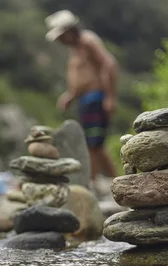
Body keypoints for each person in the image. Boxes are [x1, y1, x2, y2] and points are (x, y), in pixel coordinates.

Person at [45, 10, 118, 183]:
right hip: (85, 99)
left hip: (95, 97)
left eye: (61, 36)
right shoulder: (76, 49)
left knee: (92, 144)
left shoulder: (87, 41)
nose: (60, 41)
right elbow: (83, 76)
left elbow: (109, 65)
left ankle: (91, 182)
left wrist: (110, 96)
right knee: (95, 143)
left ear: (70, 31)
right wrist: (70, 96)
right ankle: (117, 179)